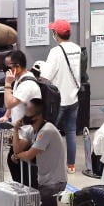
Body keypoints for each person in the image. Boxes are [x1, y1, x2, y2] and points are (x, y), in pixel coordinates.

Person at [10, 98, 68, 206]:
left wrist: (17, 156)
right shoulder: (32, 130)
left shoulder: (47, 131)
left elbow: (28, 155)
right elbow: (18, 148)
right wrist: (15, 130)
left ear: (38, 114)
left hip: (55, 182)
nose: (25, 113)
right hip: (44, 180)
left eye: (28, 110)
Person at [40, 19, 81, 174]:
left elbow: (46, 76)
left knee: (51, 132)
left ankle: (49, 164)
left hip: (58, 101)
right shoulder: (77, 49)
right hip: (74, 98)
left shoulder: (56, 52)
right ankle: (71, 165)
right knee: (71, 132)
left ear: (56, 34)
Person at [0, 50, 41, 125]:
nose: (6, 70)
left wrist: (8, 83)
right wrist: (6, 115)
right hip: (19, 126)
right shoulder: (19, 79)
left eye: (8, 67)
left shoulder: (27, 85)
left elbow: (9, 104)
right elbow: (14, 98)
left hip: (27, 129)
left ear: (17, 66)